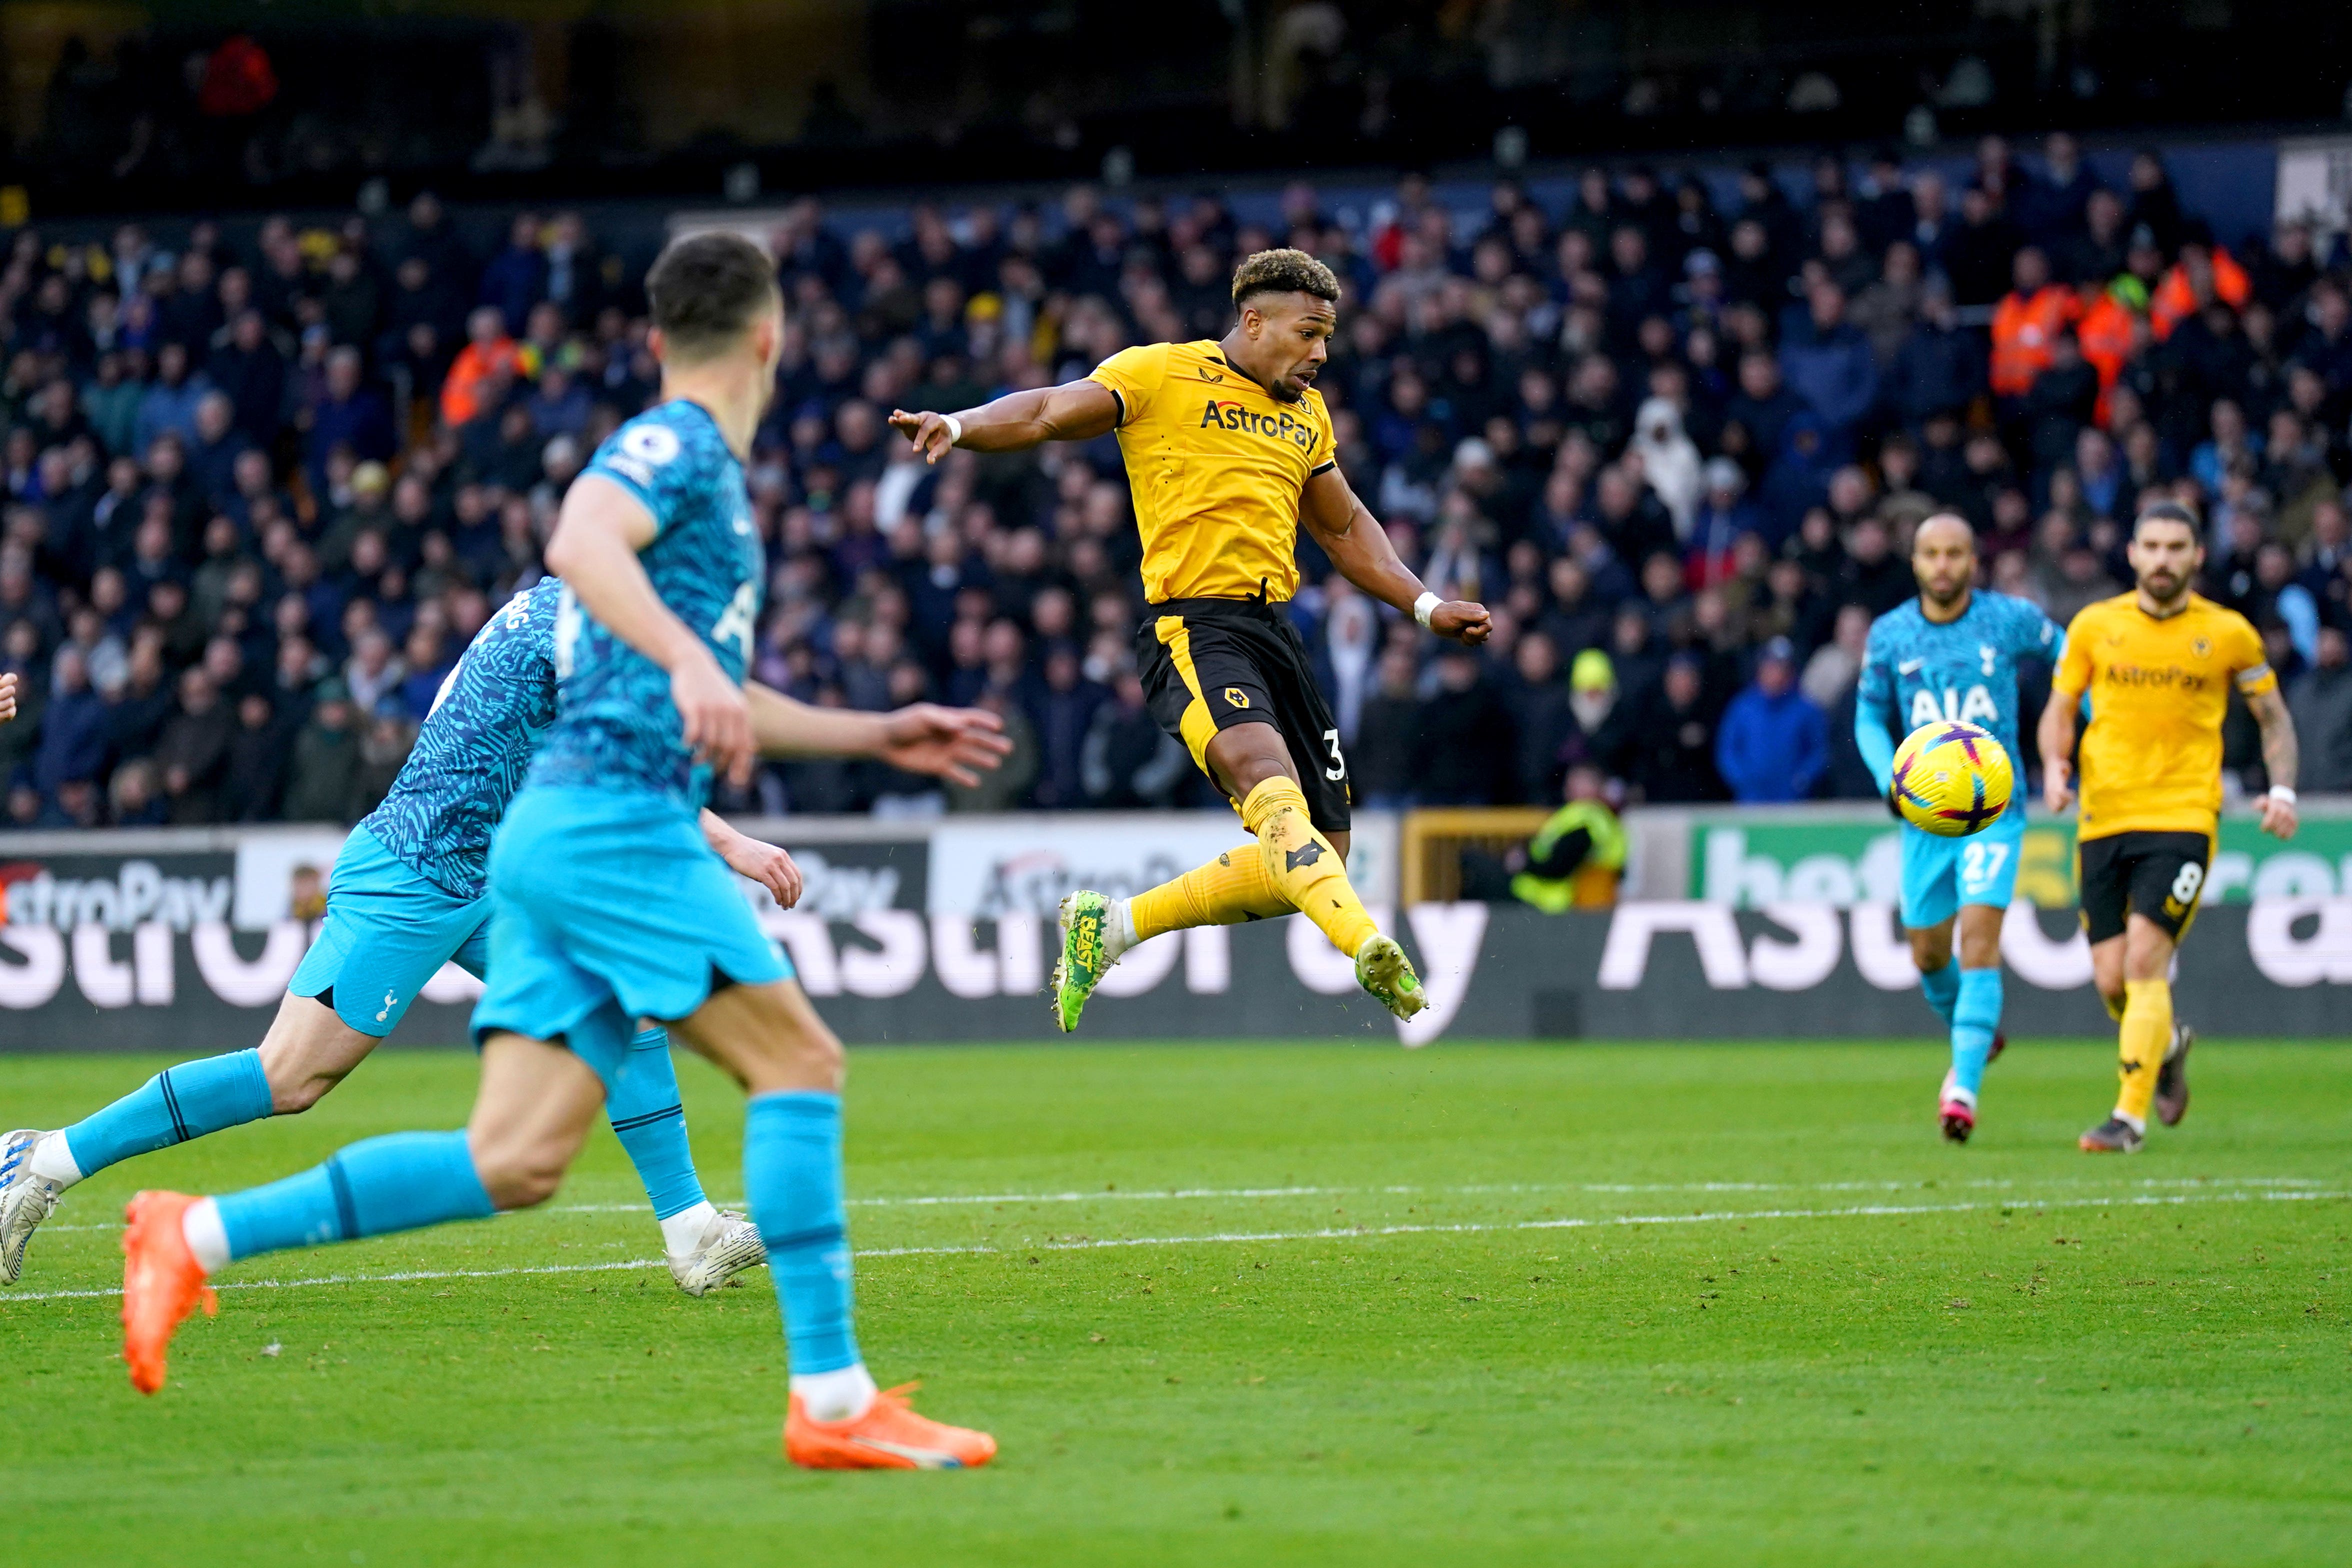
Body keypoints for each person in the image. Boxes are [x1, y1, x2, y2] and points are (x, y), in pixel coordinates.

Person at [110, 233, 1010, 1470]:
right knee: (799, 1062)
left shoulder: (705, 493)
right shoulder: (677, 449)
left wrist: (871, 735)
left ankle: (189, 1236)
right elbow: (579, 540)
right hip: (607, 830)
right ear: (770, 336)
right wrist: (696, 665)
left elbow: (703, 696)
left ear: (656, 336)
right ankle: (835, 1403)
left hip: (552, 838)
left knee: (519, 1159)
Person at [890, 248, 1492, 1032]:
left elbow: (1344, 528)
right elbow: (1044, 411)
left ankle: (1113, 927)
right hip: (1195, 627)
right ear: (1254, 321)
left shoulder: (1306, 416)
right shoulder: (1161, 374)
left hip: (1279, 636)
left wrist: (1423, 604)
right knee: (1268, 791)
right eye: (1309, 333)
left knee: (1318, 860)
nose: (1320, 354)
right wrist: (962, 424)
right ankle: (1370, 945)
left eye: (1329, 338)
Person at [2038, 501, 2300, 1154]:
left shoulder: (2229, 633)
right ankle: (2168, 1044)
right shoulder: (2096, 626)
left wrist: (2283, 790)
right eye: (2151, 546)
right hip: (2103, 818)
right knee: (2110, 980)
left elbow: (2273, 717)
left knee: (2146, 962)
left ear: (2196, 555)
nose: (2162, 559)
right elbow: (2061, 705)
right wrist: (2053, 764)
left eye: (2175, 547)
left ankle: (2127, 1120)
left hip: (2183, 817)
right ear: (2132, 554)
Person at [1854, 514, 2066, 1142]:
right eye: (1930, 554)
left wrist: (2085, 725)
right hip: (1924, 816)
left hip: (1995, 810)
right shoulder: (1890, 633)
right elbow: (1868, 713)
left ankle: (1963, 1088)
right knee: (1926, 952)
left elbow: (2074, 660)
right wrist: (1887, 775)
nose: (1943, 564)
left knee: (1979, 941)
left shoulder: (2010, 619)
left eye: (1955, 553)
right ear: (1915, 562)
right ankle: (1976, 1034)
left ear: (1975, 560)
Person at [1714, 638, 1826, 802]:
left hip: (1793, 802)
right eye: (1770, 667)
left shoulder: (1806, 710)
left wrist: (1803, 778)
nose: (1775, 674)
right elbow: (1728, 749)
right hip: (1751, 801)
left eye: (1782, 668)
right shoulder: (1743, 707)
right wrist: (1743, 780)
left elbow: (1819, 751)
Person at [1507, 765, 1626, 912]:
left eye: (1579, 782)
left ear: (1596, 786)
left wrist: (1524, 864)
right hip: (1539, 895)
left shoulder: (1588, 819)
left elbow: (1561, 864)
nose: (1571, 787)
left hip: (1548, 901)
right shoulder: (1575, 814)